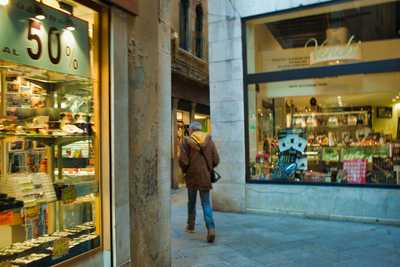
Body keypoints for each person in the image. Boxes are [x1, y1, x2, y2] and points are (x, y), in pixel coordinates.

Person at [179, 121, 220, 243]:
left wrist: (185, 170)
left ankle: (191, 226)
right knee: (206, 203)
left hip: (191, 176)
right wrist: (208, 168)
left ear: (191, 130)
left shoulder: (186, 142)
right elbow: (216, 160)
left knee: (191, 202)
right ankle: (211, 229)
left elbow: (183, 161)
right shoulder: (209, 141)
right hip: (205, 177)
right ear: (201, 130)